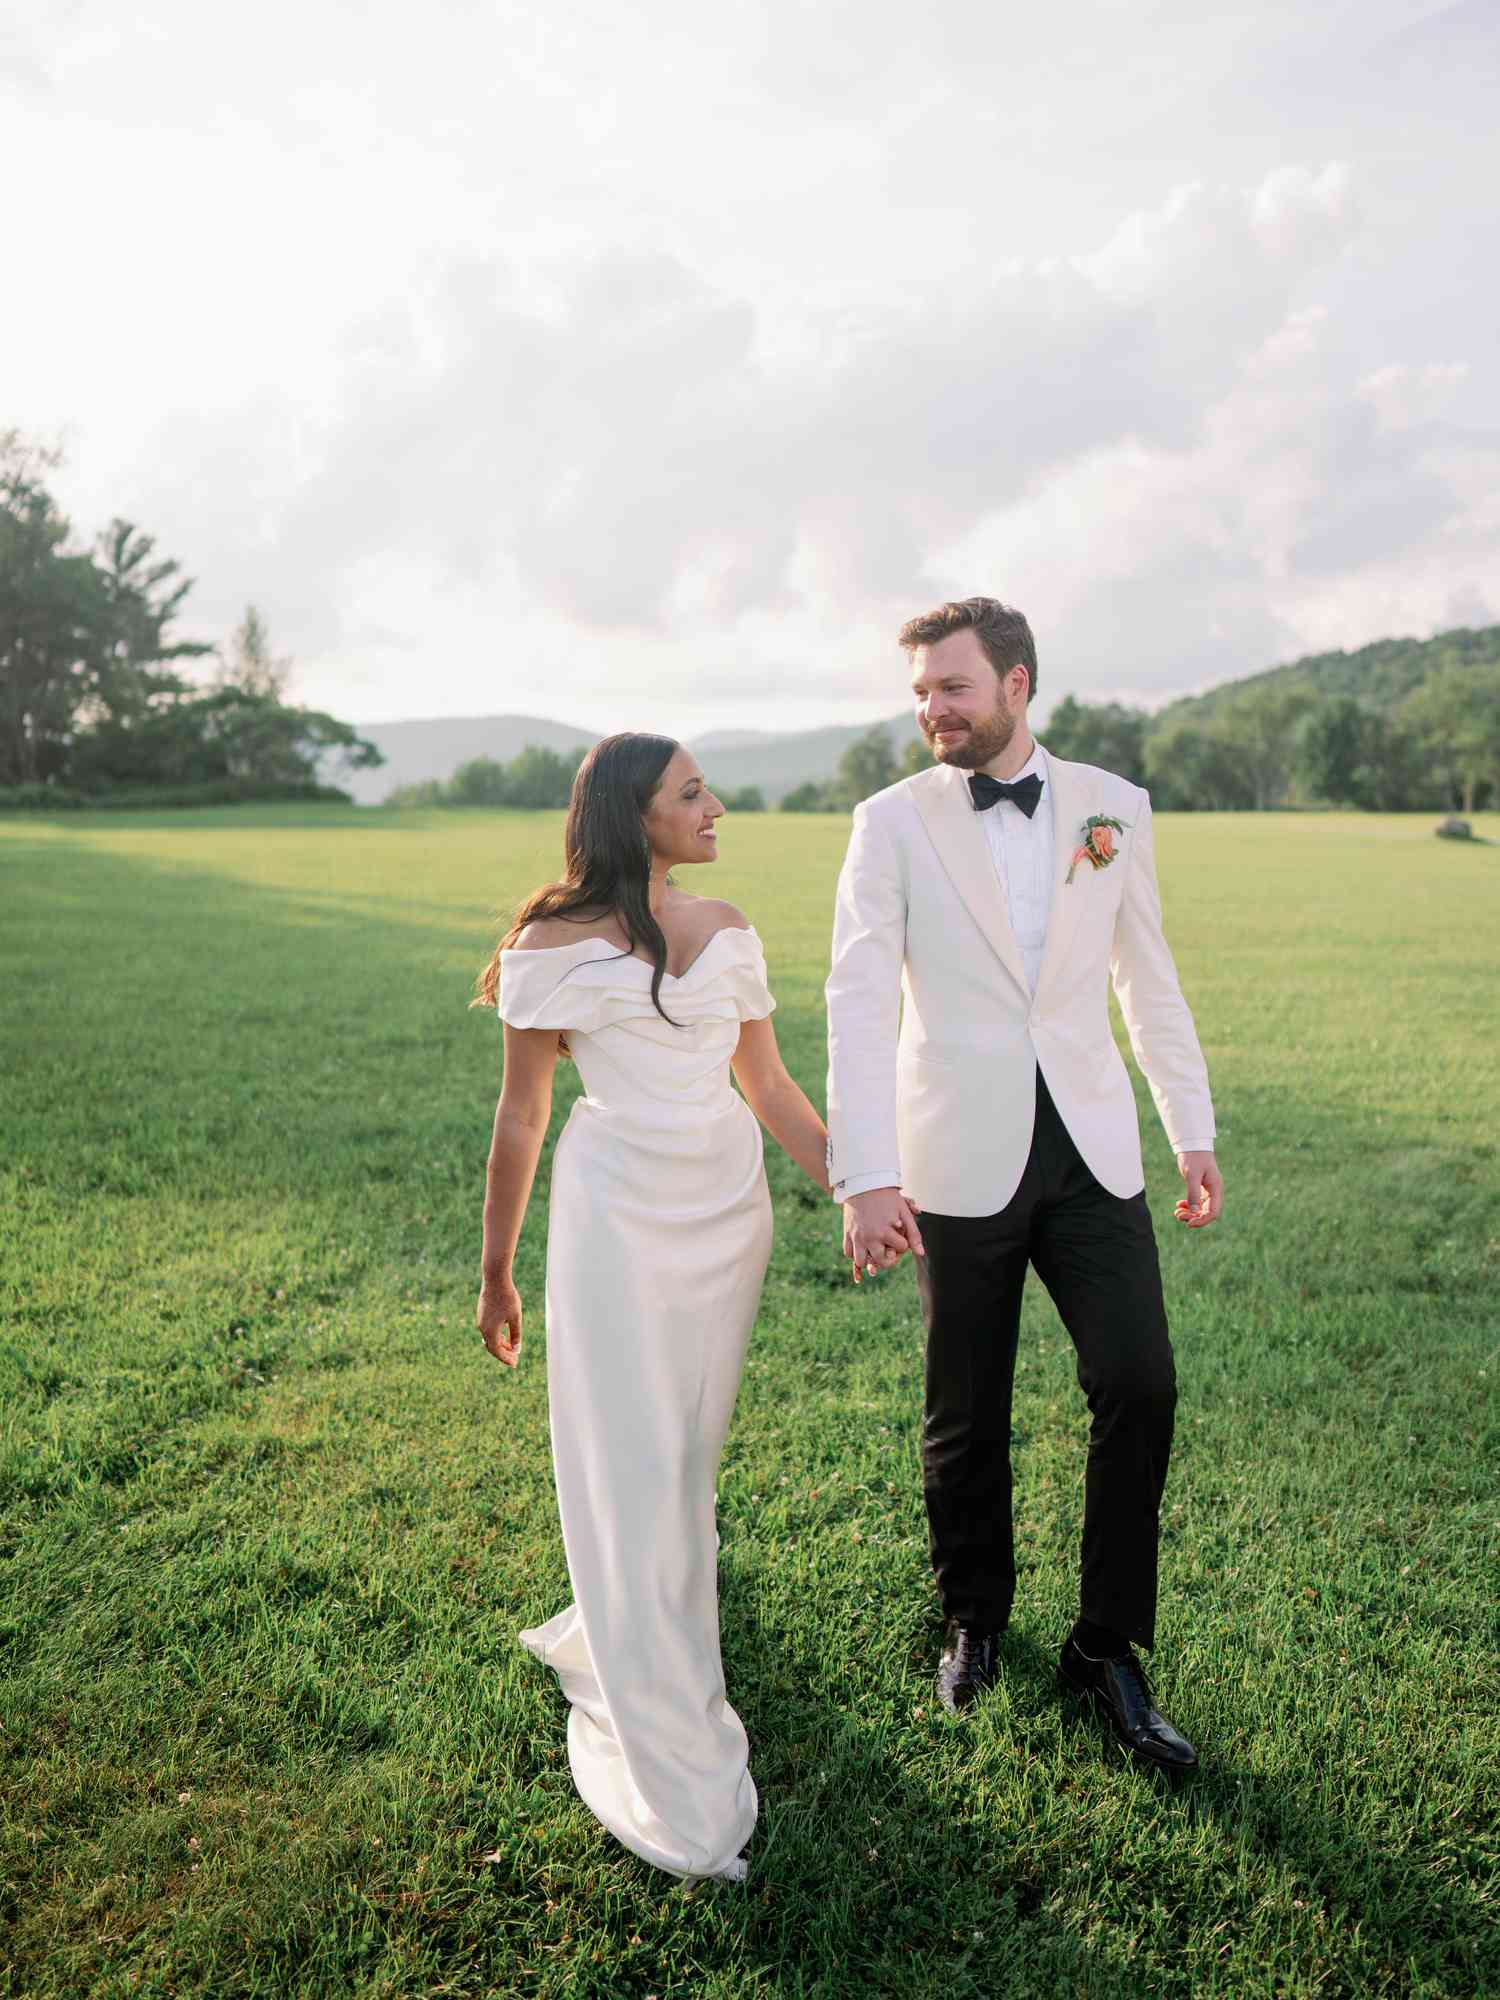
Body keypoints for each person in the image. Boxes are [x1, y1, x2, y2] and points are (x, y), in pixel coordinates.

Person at [825, 597, 1222, 1768]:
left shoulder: (1112, 807)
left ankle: (1104, 1648)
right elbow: (855, 998)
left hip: (1092, 1147)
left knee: (1140, 1381)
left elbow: (1148, 976)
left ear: (1016, 683)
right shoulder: (887, 823)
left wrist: (1187, 1124)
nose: (930, 710)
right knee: (965, 1405)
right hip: (951, 1146)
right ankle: (974, 1618)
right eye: (918, 694)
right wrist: (864, 1174)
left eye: (950, 687)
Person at [473, 732, 831, 1881]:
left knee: (686, 1449)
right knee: (626, 1449)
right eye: (692, 792)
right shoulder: (548, 945)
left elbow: (768, 1085)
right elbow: (523, 1118)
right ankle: (649, 1660)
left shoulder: (726, 929)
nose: (716, 805)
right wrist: (497, 1268)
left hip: (727, 1214)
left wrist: (861, 1188)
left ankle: (662, 1586)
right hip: (615, 1218)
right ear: (636, 817)